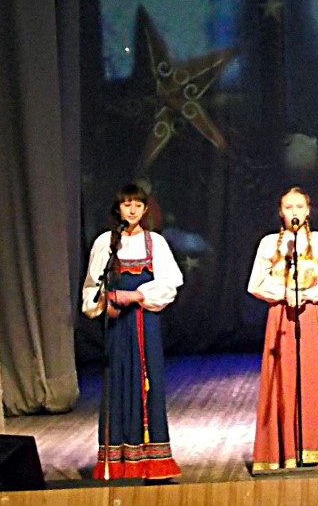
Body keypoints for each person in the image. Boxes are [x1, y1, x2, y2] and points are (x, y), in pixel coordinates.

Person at [81, 183, 183, 480]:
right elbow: (92, 285)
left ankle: (152, 462)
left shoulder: (155, 243)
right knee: (117, 382)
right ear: (119, 208)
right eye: (127, 204)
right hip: (117, 325)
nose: (133, 210)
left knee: (148, 381)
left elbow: (169, 283)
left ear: (145, 208)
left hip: (144, 321)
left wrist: (135, 296)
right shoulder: (106, 242)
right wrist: (105, 303)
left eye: (138, 204)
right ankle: (117, 461)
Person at [247, 187, 318, 472]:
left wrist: (307, 295)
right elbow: (256, 283)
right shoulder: (270, 244)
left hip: (309, 314)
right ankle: (283, 450)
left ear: (308, 210)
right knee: (283, 379)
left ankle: (315, 447)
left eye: (299, 207)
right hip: (280, 316)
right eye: (288, 207)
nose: (294, 212)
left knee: (312, 378)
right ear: (281, 212)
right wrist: (284, 292)